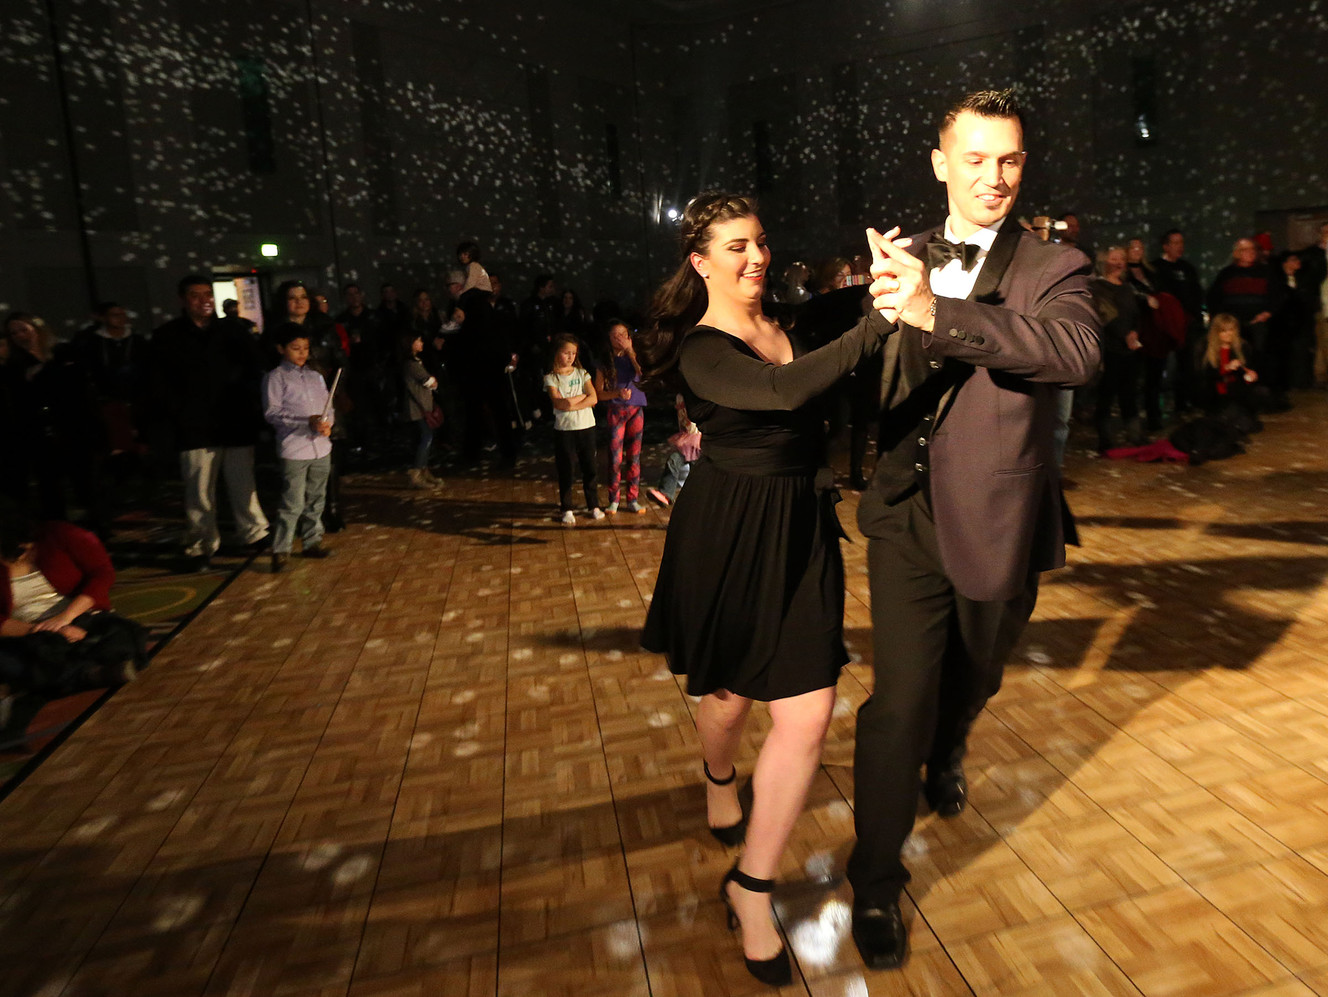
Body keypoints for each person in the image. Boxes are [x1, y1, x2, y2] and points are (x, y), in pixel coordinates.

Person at [847, 89, 1100, 970]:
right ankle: (874, 880)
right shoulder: (903, 256)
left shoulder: (1055, 264)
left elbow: (1075, 353)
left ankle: (951, 743)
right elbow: (870, 378)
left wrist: (936, 313)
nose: (995, 177)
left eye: (1010, 160)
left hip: (1000, 513)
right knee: (898, 700)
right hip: (904, 512)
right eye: (977, 159)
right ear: (940, 163)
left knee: (977, 670)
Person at [638, 192, 892, 986]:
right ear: (700, 261)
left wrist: (895, 279)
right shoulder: (701, 349)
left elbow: (849, 328)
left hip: (801, 529)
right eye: (736, 246)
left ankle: (751, 885)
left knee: (808, 712)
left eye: (760, 242)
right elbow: (785, 392)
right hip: (731, 532)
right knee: (729, 698)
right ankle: (719, 775)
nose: (755, 258)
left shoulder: (791, 324)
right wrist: (877, 326)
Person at [149, 275, 269, 571]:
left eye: (207, 294)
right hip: (194, 426)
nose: (203, 300)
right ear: (183, 299)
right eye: (195, 295)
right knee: (199, 489)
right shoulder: (167, 336)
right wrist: (176, 414)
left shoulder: (233, 330)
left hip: (235, 419)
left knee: (243, 483)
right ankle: (201, 543)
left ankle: (254, 532)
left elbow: (254, 367)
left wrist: (250, 406)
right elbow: (158, 383)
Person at [0, 502, 145, 695]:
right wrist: (45, 630)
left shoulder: (59, 534)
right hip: (31, 633)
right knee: (24, 658)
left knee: (123, 631)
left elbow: (102, 573)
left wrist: (65, 618)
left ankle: (81, 670)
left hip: (81, 615)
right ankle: (88, 673)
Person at [262, 324, 334, 573]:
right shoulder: (276, 377)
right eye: (295, 348)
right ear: (281, 349)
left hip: (321, 447)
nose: (302, 353)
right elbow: (272, 413)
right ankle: (281, 549)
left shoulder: (315, 376)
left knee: (317, 498)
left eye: (305, 348)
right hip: (294, 448)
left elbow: (328, 406)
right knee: (292, 502)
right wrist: (306, 422)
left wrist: (327, 424)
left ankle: (312, 542)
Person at [543, 334, 604, 525]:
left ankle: (593, 504)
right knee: (566, 469)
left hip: (586, 426)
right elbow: (559, 403)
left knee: (590, 467)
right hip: (565, 429)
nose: (570, 357)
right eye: (566, 353)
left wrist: (572, 403)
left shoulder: (582, 373)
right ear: (557, 353)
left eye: (573, 353)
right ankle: (567, 507)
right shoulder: (551, 377)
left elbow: (593, 397)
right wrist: (581, 398)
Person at [1092, 245, 1146, 451]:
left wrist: (1135, 332)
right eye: (1113, 258)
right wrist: (1125, 334)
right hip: (1110, 348)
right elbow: (1105, 315)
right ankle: (1104, 439)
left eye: (1121, 259)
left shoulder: (1126, 287)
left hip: (1129, 349)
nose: (1118, 263)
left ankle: (1134, 435)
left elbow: (1135, 315)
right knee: (1106, 394)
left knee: (1129, 393)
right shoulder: (1098, 287)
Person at [595, 321, 647, 514]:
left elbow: (643, 373)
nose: (619, 339)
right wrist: (616, 393)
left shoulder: (636, 357)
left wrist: (631, 351)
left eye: (623, 334)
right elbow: (598, 393)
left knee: (634, 457)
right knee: (615, 457)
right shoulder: (604, 362)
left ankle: (632, 498)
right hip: (616, 410)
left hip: (636, 409)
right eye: (615, 335)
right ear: (609, 339)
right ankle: (614, 499)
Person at [1151, 228, 1204, 413]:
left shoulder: (1187, 268)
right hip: (1165, 325)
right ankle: (1156, 408)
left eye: (1181, 243)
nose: (1179, 247)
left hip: (1187, 324)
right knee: (1160, 366)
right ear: (1165, 246)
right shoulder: (1156, 268)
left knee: (1186, 365)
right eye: (1175, 243)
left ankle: (1183, 403)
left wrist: (1196, 316)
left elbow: (1196, 293)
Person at [401, 331, 443, 490]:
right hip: (418, 408)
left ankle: (423, 470)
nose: (421, 343)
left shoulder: (413, 362)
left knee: (426, 437)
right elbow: (428, 381)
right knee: (426, 437)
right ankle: (418, 472)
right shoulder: (411, 364)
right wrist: (433, 381)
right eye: (418, 341)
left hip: (420, 406)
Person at [1197, 312, 1260, 418]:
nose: (1228, 334)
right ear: (1216, 332)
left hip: (1237, 394)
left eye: (1231, 330)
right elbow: (1205, 376)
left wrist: (1250, 375)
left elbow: (1248, 370)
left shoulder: (1243, 347)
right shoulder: (1205, 348)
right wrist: (1226, 368)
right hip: (1215, 396)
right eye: (1224, 331)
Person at [647, 393, 700, 507]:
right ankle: (666, 494)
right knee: (673, 461)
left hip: (698, 441)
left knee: (696, 473)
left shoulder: (696, 393)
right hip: (686, 441)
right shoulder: (680, 396)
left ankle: (699, 500)